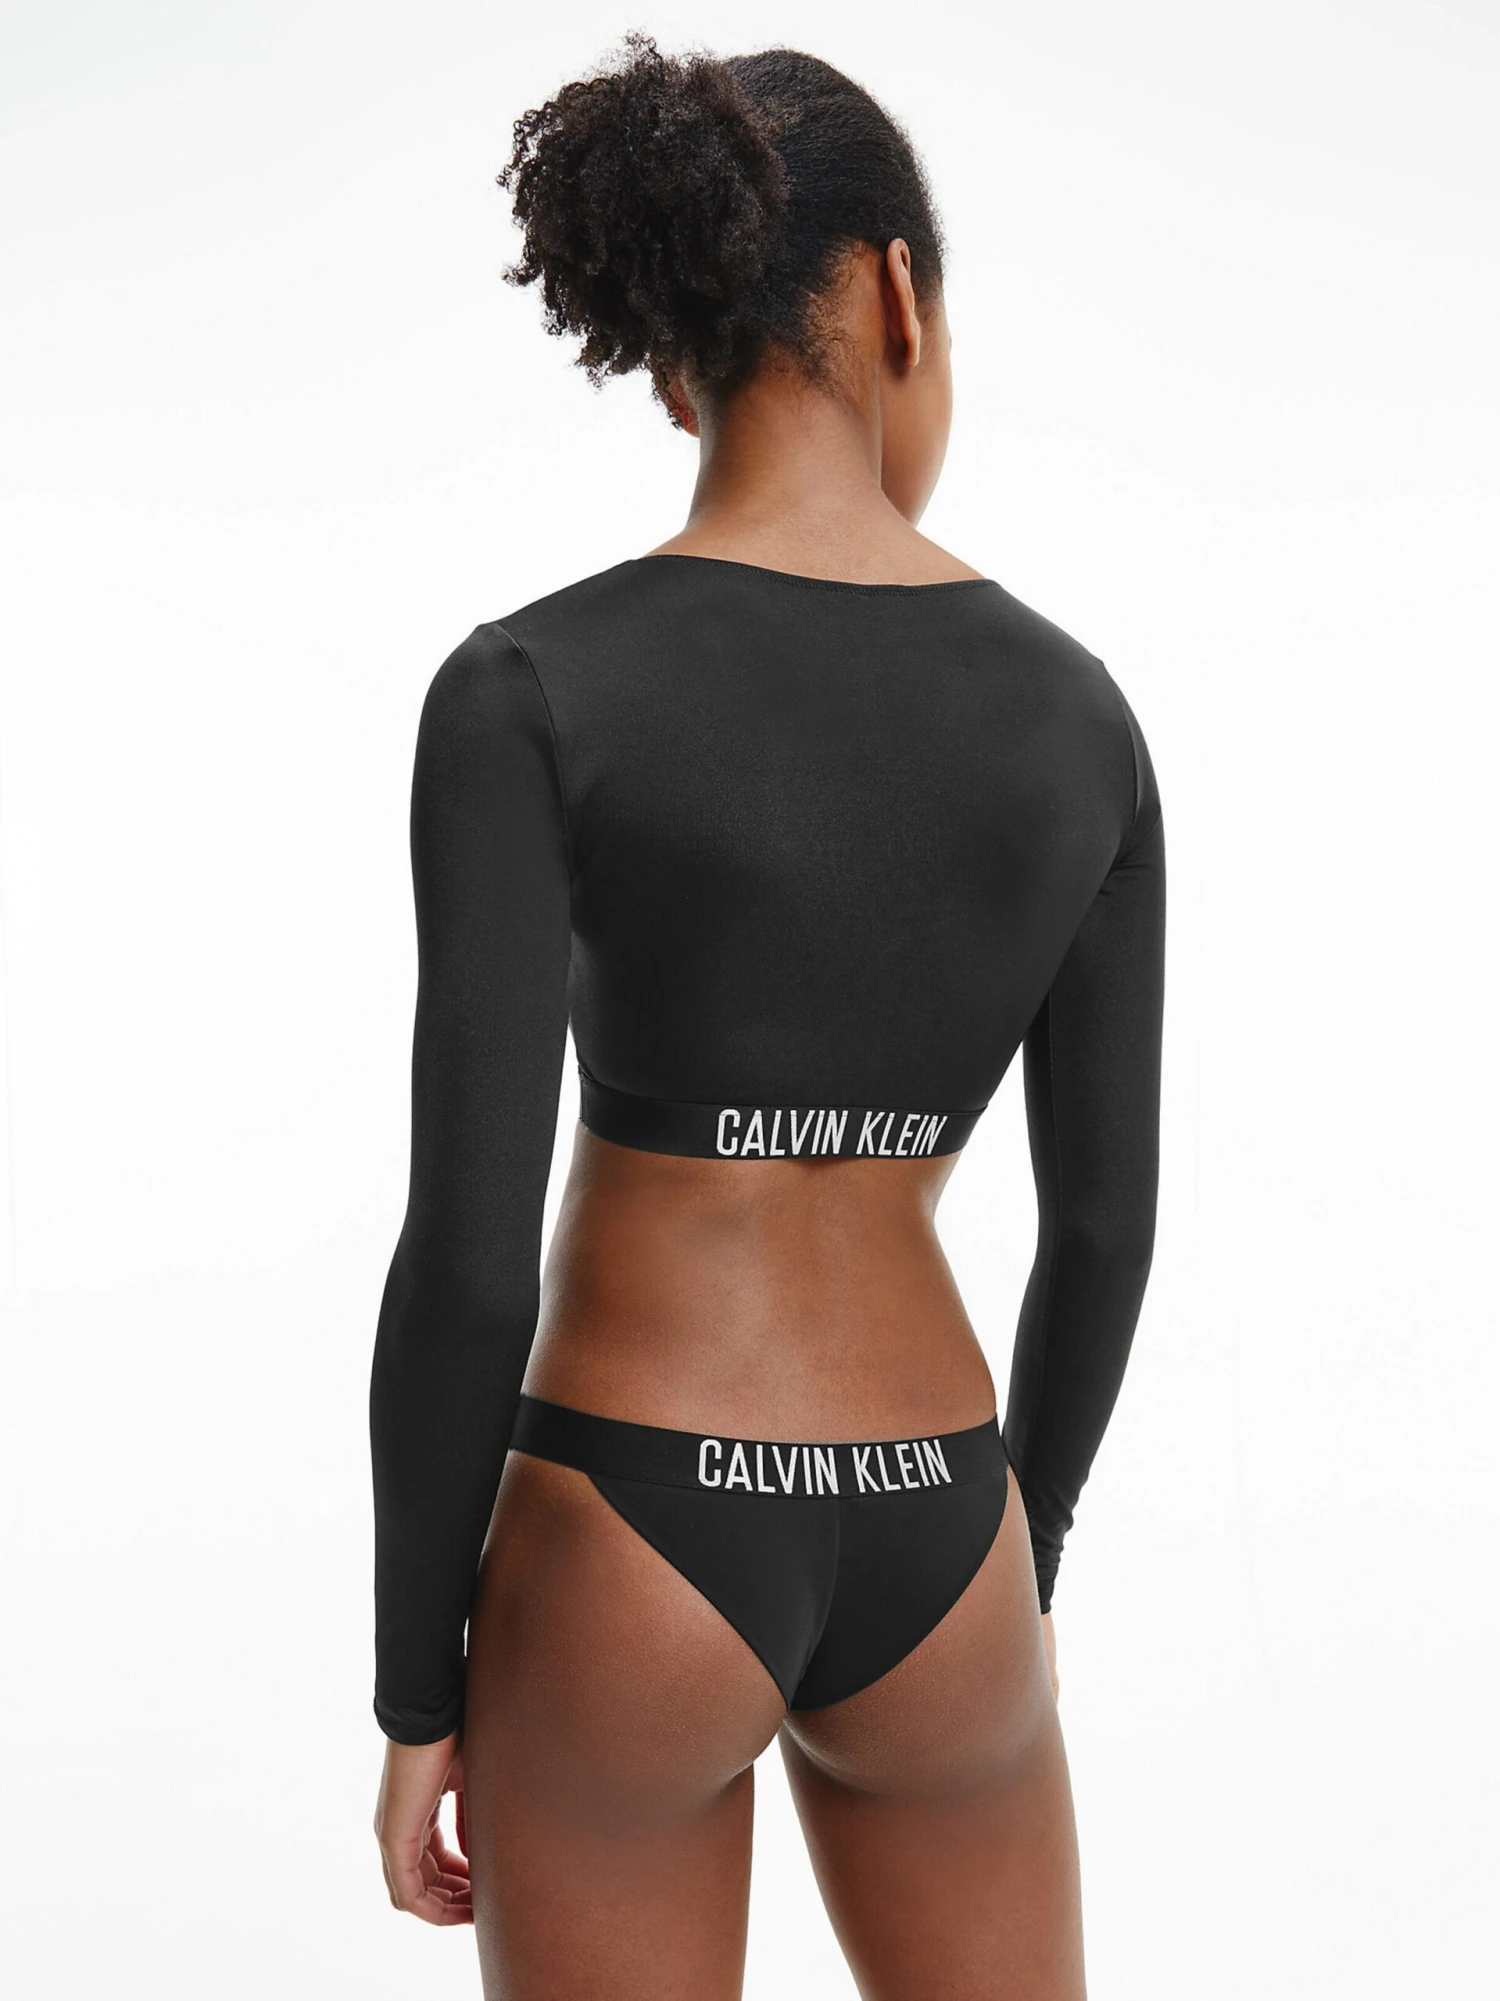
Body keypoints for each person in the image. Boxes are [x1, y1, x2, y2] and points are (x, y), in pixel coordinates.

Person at [370, 35, 1164, 2000]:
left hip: (631, 1520)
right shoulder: (1082, 721)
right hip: (943, 1527)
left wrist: (415, 1694)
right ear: (900, 296)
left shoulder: (529, 691)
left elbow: (467, 1262)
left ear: (673, 362)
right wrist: (1025, 1559)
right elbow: (1103, 1230)